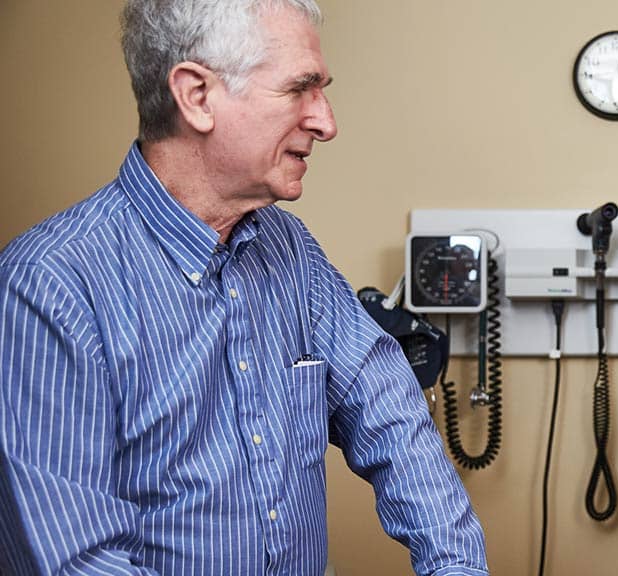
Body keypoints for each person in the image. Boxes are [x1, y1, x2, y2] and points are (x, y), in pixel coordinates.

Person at [0, 1, 488, 574]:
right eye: (300, 89)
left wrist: (456, 567)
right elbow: (76, 561)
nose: (327, 122)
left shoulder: (290, 250)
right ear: (197, 96)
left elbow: (389, 413)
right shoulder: (49, 286)